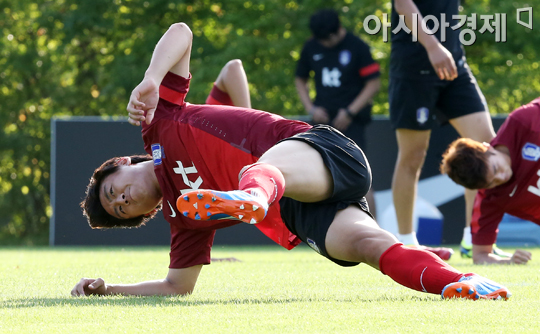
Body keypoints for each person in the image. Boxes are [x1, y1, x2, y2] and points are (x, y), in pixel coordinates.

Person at [71, 22, 511, 300]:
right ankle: (455, 280)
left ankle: (252, 197)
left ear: (122, 163)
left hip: (320, 151)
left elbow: (182, 32)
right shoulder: (185, 219)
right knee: (369, 248)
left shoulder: (157, 124)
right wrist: (108, 289)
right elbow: (176, 286)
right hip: (303, 210)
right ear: (146, 214)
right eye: (123, 210)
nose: (124, 199)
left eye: (115, 190)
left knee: (259, 171)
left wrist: (149, 79)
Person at [389, 0, 502, 260]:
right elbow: (403, 5)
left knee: (487, 149)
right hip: (413, 71)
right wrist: (432, 45)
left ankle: (474, 239)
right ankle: (407, 244)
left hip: (454, 67)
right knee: (412, 156)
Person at [295, 9, 380, 217]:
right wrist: (311, 108)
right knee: (319, 176)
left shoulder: (357, 46)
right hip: (322, 124)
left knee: (361, 177)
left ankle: (375, 229)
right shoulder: (311, 46)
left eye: (327, 39)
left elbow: (374, 82)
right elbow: (300, 79)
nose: (324, 43)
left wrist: (350, 112)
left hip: (351, 123)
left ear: (337, 31)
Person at [440, 98, 540, 264]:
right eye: (491, 183)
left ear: (487, 147)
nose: (501, 178)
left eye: (495, 169)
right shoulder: (489, 199)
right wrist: (508, 261)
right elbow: (480, 255)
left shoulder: (522, 121)